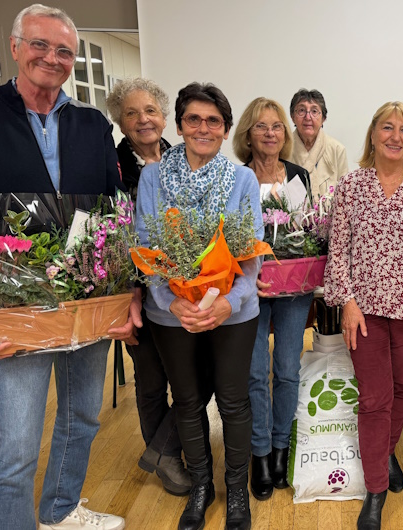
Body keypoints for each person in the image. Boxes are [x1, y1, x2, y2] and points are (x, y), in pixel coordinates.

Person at [0, 4, 126, 529]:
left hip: (87, 299)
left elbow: (114, 213)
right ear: (16, 47)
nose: (53, 57)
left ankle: (61, 511)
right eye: (41, 45)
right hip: (11, 307)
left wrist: (125, 298)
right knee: (18, 442)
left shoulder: (92, 124)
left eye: (64, 50)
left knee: (81, 417)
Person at [136, 82, 263, 530]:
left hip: (232, 311)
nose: (203, 127)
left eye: (213, 121)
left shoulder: (243, 179)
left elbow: (250, 255)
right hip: (173, 315)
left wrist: (229, 302)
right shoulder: (153, 178)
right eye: (194, 119)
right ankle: (202, 487)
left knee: (232, 400)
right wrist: (172, 304)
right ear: (179, 125)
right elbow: (146, 249)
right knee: (187, 401)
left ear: (226, 130)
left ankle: (236, 494)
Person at [324, 101, 403, 530]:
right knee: (374, 398)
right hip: (366, 312)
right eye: (387, 127)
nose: (395, 136)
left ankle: (387, 452)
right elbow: (337, 251)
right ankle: (375, 488)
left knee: (400, 389)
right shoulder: (351, 186)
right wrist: (347, 301)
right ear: (373, 134)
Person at [105, 77, 192, 497]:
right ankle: (166, 455)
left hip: (185, 288)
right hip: (135, 290)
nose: (143, 120)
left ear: (164, 115)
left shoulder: (182, 159)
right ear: (120, 122)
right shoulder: (112, 166)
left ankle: (166, 446)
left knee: (197, 371)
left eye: (150, 111)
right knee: (152, 377)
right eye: (131, 114)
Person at [232, 97, 312, 501]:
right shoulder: (236, 177)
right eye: (261, 126)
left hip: (293, 290)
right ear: (248, 134)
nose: (269, 133)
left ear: (286, 134)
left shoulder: (299, 176)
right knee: (254, 373)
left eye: (277, 126)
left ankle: (281, 447)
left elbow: (308, 235)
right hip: (250, 289)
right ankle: (259, 454)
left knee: (287, 370)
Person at [288, 88, 348, 199]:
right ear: (292, 117)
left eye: (314, 111)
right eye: (301, 110)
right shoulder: (283, 148)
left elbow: (345, 197)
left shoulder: (337, 149)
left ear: (323, 118)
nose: (308, 117)